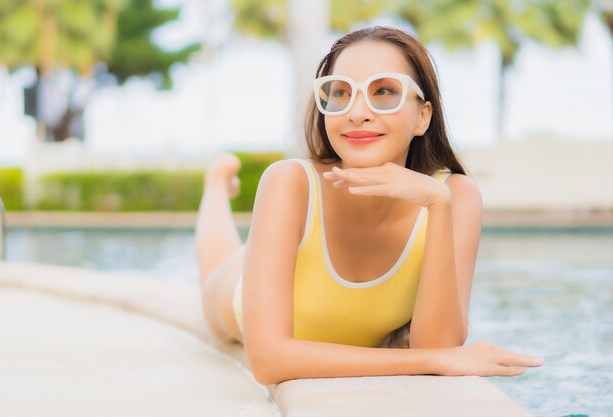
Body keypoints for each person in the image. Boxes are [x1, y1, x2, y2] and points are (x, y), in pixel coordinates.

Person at [195, 26, 543, 385]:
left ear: (423, 116)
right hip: (234, 297)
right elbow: (269, 362)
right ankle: (217, 183)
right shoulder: (290, 182)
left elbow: (438, 344)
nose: (357, 112)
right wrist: (431, 360)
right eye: (341, 93)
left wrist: (437, 206)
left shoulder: (455, 195)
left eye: (384, 92)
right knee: (216, 267)